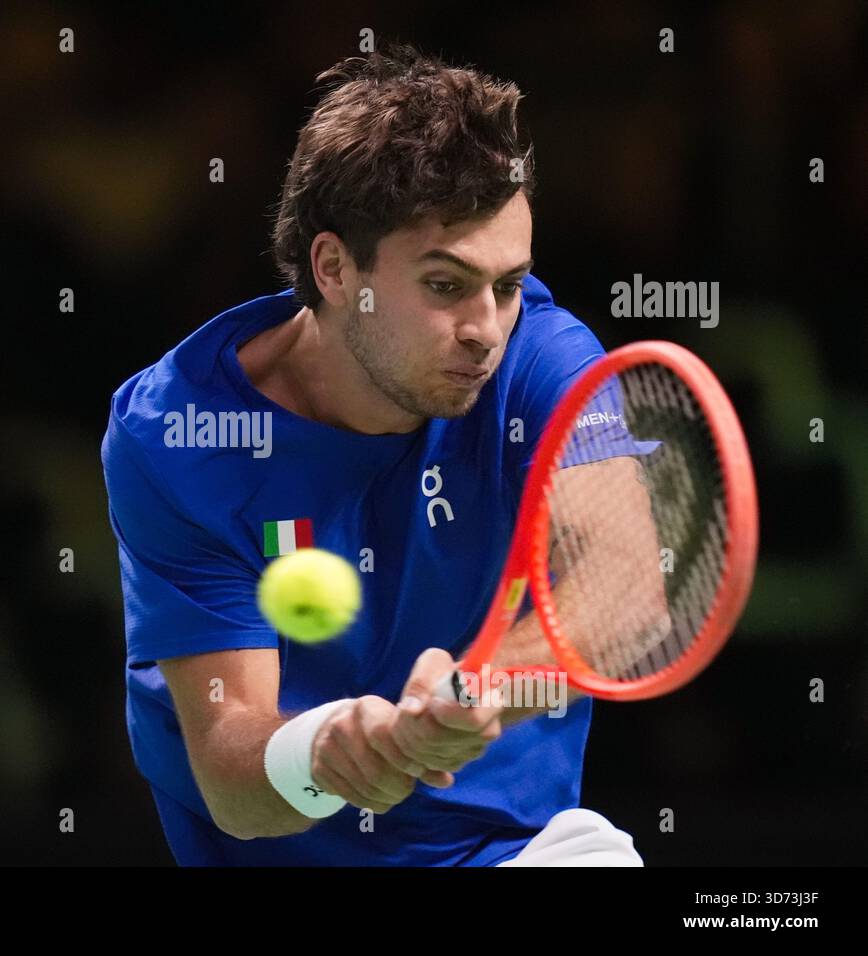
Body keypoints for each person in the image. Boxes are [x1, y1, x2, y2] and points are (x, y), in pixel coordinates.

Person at [101, 43, 642, 866]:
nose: (487, 328)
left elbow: (629, 583)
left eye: (506, 284)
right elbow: (234, 781)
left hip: (515, 850)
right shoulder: (180, 435)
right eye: (444, 284)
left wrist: (479, 687)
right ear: (332, 267)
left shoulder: (542, 357)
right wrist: (326, 753)